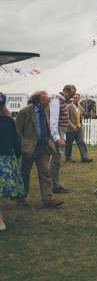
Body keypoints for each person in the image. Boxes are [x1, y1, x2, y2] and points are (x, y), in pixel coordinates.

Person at [15, 91, 64, 209]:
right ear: (38, 101)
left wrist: (56, 138)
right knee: (24, 173)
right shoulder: (25, 112)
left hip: (44, 148)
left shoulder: (47, 110)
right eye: (46, 99)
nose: (48, 100)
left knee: (45, 173)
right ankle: (21, 198)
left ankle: (47, 199)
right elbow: (17, 131)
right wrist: (24, 145)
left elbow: (51, 125)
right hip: (29, 148)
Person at [0, 93, 25, 231]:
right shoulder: (9, 121)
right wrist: (17, 155)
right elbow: (16, 142)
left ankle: (0, 221)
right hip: (6, 159)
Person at [49, 84, 76, 194]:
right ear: (65, 91)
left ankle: (56, 184)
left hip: (61, 132)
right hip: (58, 133)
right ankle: (55, 186)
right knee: (55, 160)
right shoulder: (57, 100)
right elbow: (53, 120)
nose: (71, 97)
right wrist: (57, 137)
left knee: (57, 160)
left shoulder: (63, 101)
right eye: (71, 94)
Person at [65, 93, 93, 163]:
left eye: (76, 97)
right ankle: (68, 158)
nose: (75, 99)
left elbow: (82, 115)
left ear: (79, 99)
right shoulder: (68, 107)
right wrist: (72, 126)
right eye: (74, 97)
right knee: (69, 144)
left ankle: (84, 157)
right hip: (70, 129)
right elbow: (66, 118)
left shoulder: (80, 107)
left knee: (81, 142)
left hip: (79, 128)